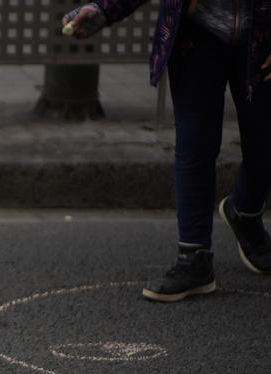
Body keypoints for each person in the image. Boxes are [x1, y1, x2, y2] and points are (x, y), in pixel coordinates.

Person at [64, 0, 271, 302]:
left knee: (264, 142)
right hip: (197, 35)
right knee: (195, 143)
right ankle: (193, 256)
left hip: (261, 36)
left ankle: (245, 212)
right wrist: (103, 9)